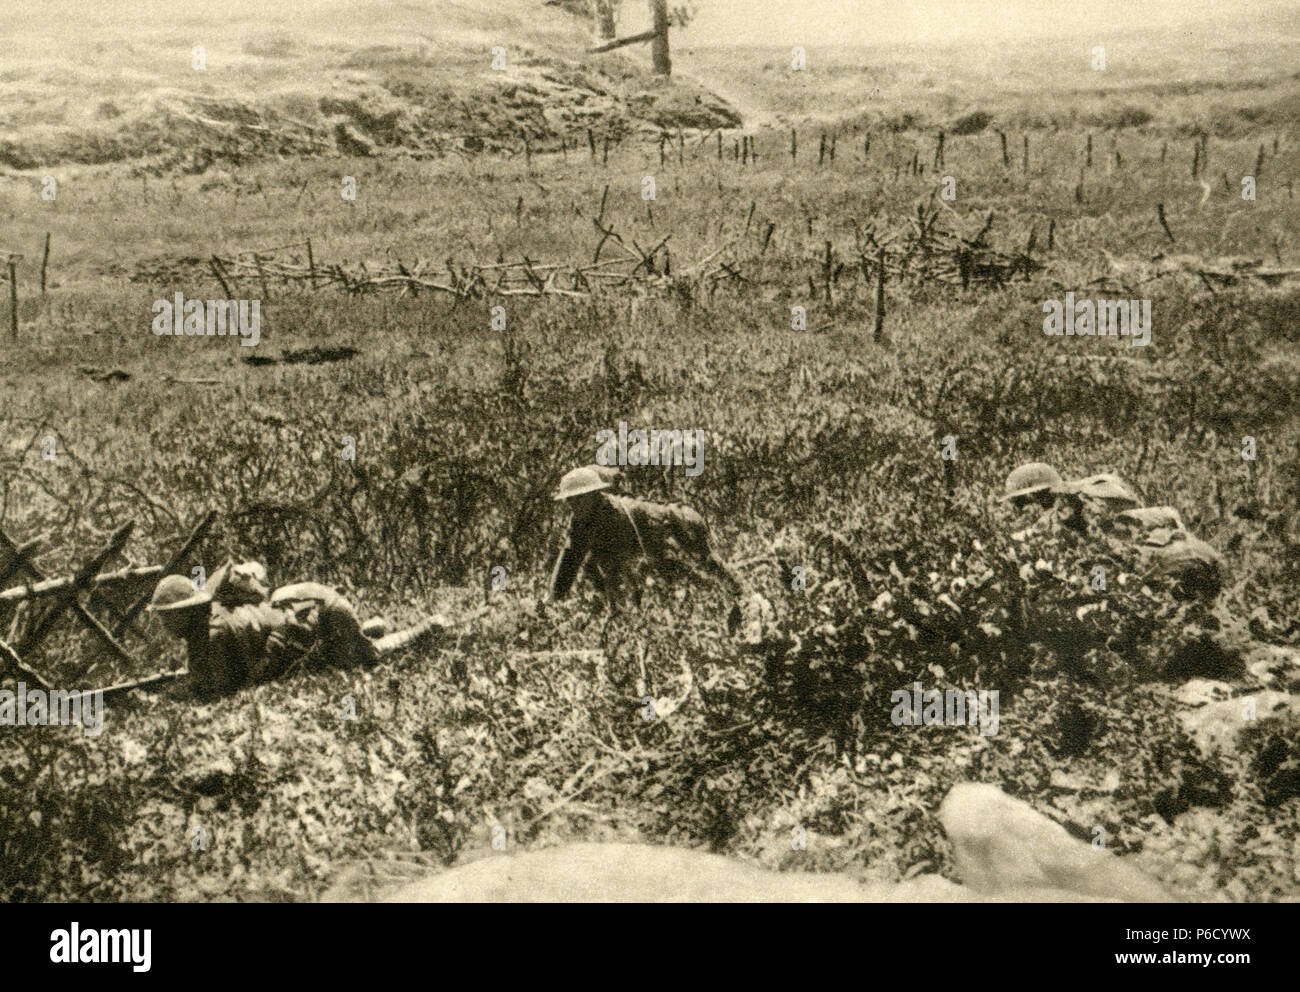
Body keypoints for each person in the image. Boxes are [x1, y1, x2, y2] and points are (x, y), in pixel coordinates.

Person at [147, 564, 386, 698]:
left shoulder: (215, 633)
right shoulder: (205, 624)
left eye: (168, 616)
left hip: (322, 614)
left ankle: (388, 633)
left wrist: (175, 693)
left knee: (370, 656)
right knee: (331, 655)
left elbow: (219, 691)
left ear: (187, 611)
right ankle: (364, 630)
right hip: (297, 625)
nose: (165, 624)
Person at [549, 465, 742, 609]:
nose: (573, 504)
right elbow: (569, 560)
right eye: (569, 500)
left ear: (595, 494)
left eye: (579, 498)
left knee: (704, 567)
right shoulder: (580, 522)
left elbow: (618, 563)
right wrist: (553, 600)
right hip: (647, 551)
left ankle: (738, 593)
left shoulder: (615, 514)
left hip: (675, 528)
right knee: (593, 567)